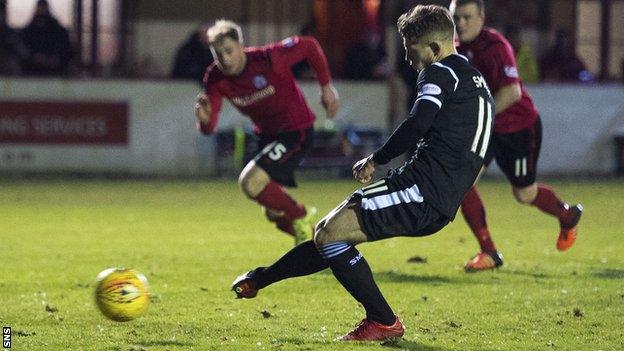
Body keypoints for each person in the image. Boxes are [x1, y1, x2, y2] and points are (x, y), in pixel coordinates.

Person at [232, 5, 494, 341]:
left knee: (329, 233)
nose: (410, 62)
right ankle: (261, 279)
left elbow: (418, 122)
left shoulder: (439, 72)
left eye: (412, 53)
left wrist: (377, 159)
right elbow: (480, 147)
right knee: (329, 233)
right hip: (438, 200)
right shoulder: (476, 82)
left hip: (420, 190)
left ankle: (383, 321)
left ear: (434, 49)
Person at [450, 0, 583, 272]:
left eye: (466, 17)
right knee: (460, 182)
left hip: (518, 128)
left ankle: (567, 215)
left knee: (524, 194)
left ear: (481, 17)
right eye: (456, 18)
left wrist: (478, 118)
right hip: (487, 130)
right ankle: (489, 251)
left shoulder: (497, 47)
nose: (461, 23)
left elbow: (512, 93)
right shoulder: (455, 48)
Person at [195, 20, 340, 245]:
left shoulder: (268, 58)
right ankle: (314, 244)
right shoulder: (215, 77)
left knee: (250, 183)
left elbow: (309, 46)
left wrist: (326, 86)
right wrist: (204, 122)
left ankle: (301, 213)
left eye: (229, 51)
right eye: (218, 53)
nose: (224, 59)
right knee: (273, 211)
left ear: (241, 46)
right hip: (267, 137)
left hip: (296, 130)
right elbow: (209, 127)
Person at [21, 0, 72, 76]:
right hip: (32, 71)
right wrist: (34, 58)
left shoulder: (58, 31)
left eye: (43, 8)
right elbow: (22, 50)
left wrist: (54, 59)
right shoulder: (28, 32)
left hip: (56, 72)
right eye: (40, 8)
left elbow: (66, 50)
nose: (41, 10)